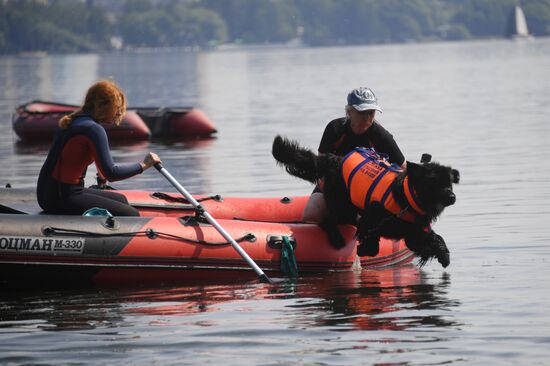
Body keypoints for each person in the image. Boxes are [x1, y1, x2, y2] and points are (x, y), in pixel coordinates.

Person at [37, 79, 161, 216]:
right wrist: (144, 165)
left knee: (122, 200)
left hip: (47, 192)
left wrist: (101, 175)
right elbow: (112, 173)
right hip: (63, 197)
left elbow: (75, 155)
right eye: (117, 107)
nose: (119, 112)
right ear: (103, 106)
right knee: (131, 214)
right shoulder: (94, 129)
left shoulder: (75, 120)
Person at [302, 86, 406, 222]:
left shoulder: (380, 135)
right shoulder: (335, 129)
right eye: (362, 112)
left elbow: (403, 168)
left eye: (371, 113)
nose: (367, 118)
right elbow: (322, 166)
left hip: (367, 190)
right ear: (349, 111)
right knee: (311, 215)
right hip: (334, 185)